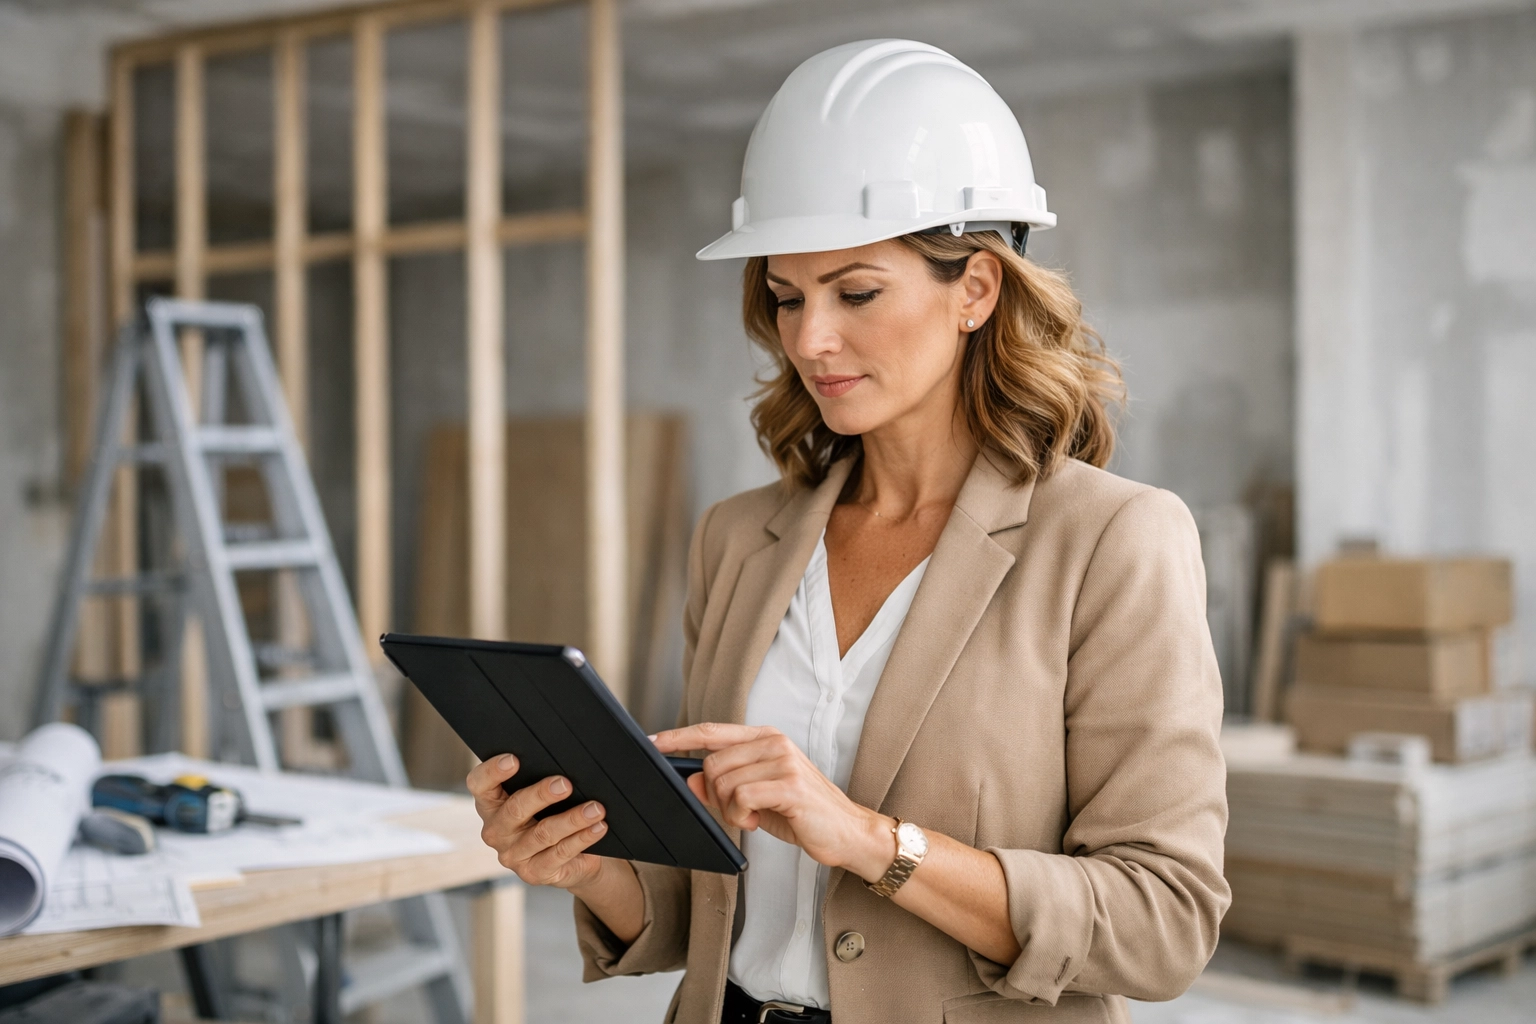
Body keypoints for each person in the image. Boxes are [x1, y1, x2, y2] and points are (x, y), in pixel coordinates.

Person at [467, 39, 1228, 1024]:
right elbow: (703, 908)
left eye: (856, 292)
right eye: (787, 297)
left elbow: (1161, 922)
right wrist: (583, 863)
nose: (809, 339)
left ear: (976, 290)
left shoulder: (1113, 540)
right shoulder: (739, 540)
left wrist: (870, 839)